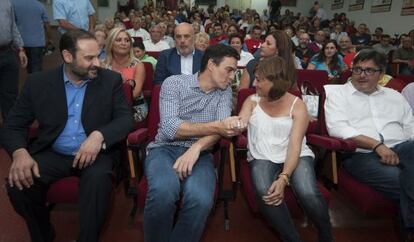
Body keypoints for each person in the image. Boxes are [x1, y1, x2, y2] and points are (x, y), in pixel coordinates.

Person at [1, 29, 133, 242]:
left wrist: (99, 135)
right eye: (89, 58)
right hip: (53, 152)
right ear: (67, 57)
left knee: (98, 181)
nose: (97, 63)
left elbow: (125, 119)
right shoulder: (38, 83)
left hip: (95, 155)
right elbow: (12, 126)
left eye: (98, 56)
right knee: (18, 186)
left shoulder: (110, 81)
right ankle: (44, 234)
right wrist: (19, 152)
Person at [143, 44, 241, 242]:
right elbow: (171, 129)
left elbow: (223, 131)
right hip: (164, 149)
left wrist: (196, 147)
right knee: (164, 190)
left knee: (202, 199)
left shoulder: (224, 91)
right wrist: (217, 126)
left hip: (202, 153)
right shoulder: (174, 83)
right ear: (212, 65)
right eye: (229, 70)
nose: (232, 77)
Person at [238, 55, 333, 242]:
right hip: (263, 154)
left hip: (295, 153)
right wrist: (234, 124)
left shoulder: (298, 106)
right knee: (265, 190)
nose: (254, 82)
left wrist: (284, 177)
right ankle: (291, 238)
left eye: (259, 79)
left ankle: (326, 232)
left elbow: (295, 146)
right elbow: (240, 123)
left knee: (307, 191)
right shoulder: (252, 100)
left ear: (275, 81)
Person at [325, 49, 414, 242]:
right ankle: (409, 230)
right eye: (357, 70)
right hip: (361, 153)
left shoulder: (394, 96)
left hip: (402, 145)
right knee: (401, 181)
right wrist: (377, 146)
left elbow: (410, 126)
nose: (361, 75)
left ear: (381, 74)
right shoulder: (337, 94)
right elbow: (338, 128)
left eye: (368, 71)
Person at [102, 27, 147, 123]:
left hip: (134, 108)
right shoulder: (103, 65)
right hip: (108, 107)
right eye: (119, 40)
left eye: (127, 40)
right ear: (110, 43)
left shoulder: (138, 65)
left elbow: (136, 93)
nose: (124, 43)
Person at [0, 0, 27, 121]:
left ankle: (10, 130)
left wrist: (20, 48)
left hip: (7, 52)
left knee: (10, 94)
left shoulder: (6, 2)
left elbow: (13, 26)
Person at [12, 0, 51, 73]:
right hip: (37, 43)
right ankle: (34, 83)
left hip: (20, 42)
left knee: (22, 67)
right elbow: (47, 24)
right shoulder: (39, 5)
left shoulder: (13, 4)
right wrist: (49, 38)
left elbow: (11, 22)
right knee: (36, 68)